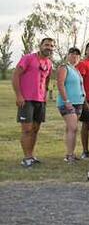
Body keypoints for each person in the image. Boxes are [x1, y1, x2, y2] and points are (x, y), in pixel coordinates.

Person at [13, 37, 55, 167]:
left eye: (51, 46)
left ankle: (31, 155)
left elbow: (47, 79)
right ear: (40, 45)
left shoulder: (49, 63)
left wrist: (45, 95)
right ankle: (26, 158)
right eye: (46, 45)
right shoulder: (28, 58)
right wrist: (19, 95)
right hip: (27, 99)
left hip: (40, 100)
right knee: (27, 129)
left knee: (35, 129)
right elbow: (15, 75)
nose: (49, 47)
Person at [56, 47, 86, 164]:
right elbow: (60, 84)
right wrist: (66, 100)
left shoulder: (76, 70)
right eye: (72, 55)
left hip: (79, 102)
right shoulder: (64, 67)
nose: (75, 57)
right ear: (68, 55)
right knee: (73, 128)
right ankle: (69, 155)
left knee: (71, 129)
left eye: (77, 56)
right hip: (68, 103)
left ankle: (71, 153)